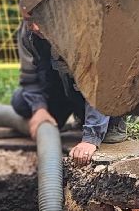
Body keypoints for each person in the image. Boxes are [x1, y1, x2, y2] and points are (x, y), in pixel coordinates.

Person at [11, 18, 127, 165]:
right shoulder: (28, 33)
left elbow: (101, 82)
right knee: (20, 102)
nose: (35, 27)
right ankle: (71, 116)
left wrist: (91, 138)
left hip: (93, 94)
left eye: (41, 18)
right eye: (29, 20)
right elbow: (30, 77)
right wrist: (39, 109)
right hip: (60, 91)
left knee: (110, 135)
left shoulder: (81, 27)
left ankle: (108, 122)